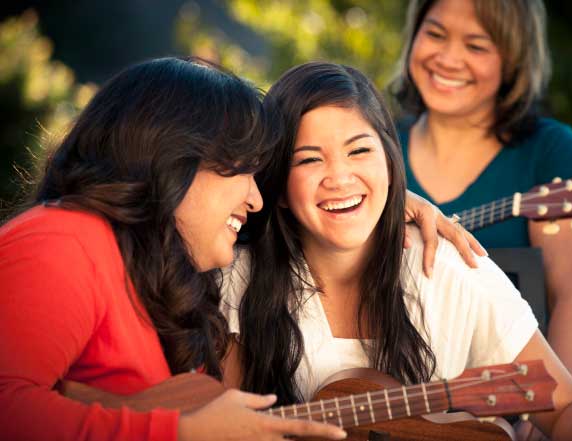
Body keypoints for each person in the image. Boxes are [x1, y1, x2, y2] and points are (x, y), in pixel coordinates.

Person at [219, 61, 572, 440]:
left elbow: (570, 408)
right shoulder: (240, 278)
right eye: (308, 160)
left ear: (390, 163)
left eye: (359, 151)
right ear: (279, 187)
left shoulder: (449, 270)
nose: (339, 177)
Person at [0, 57, 350, 441]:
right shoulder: (64, 241)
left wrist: (390, 207)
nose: (256, 199)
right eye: (244, 170)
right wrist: (181, 432)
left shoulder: (159, 271)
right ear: (173, 159)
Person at [389, 0, 572, 414]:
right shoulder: (376, 146)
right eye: (434, 34)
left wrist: (544, 417)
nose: (449, 58)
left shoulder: (554, 153)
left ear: (513, 58)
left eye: (476, 45)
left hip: (524, 409)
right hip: (412, 410)